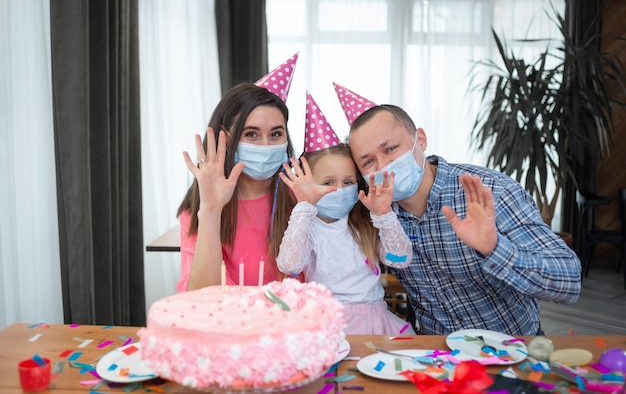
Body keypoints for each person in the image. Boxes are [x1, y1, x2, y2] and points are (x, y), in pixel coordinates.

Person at [346, 103, 582, 336]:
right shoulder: (375, 217)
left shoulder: (490, 191)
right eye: (368, 162)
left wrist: (495, 249)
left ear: (420, 140)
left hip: (514, 350)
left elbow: (569, 282)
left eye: (390, 149)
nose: (384, 166)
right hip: (435, 357)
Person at [276, 93, 415, 335]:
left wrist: (383, 215)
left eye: (348, 181)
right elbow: (289, 264)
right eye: (328, 182)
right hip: (329, 324)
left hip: (377, 322)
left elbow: (401, 259)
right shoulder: (308, 229)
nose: (339, 190)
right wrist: (305, 206)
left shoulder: (364, 222)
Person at [176, 54, 299, 291]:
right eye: (251, 134)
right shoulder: (199, 209)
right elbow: (201, 296)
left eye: (276, 134)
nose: (265, 146)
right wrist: (211, 211)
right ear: (226, 138)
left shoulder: (300, 200)